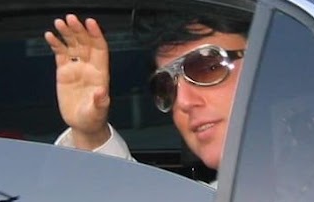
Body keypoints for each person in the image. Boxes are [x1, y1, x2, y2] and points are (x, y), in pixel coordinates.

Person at [44, 11, 250, 176]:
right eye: (167, 86)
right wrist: (90, 134)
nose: (183, 102)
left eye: (208, 68)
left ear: (264, 59)